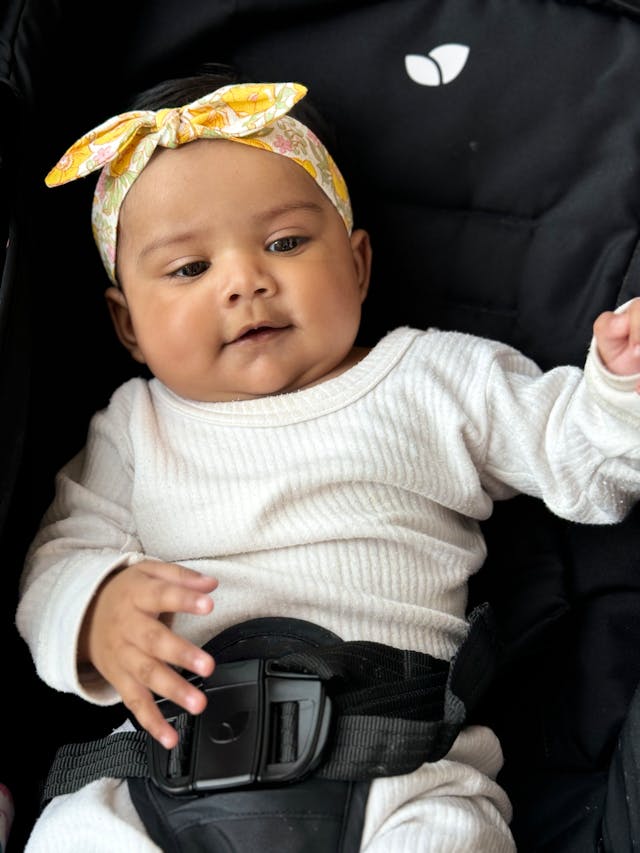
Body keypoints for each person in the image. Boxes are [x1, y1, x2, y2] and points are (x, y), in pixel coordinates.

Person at [15, 69, 640, 853]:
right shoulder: (134, 428)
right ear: (128, 325)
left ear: (358, 264)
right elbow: (55, 562)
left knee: (449, 835)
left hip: (392, 764)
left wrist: (618, 388)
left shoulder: (433, 379)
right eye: (189, 269)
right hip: (168, 772)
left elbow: (581, 462)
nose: (245, 280)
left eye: (285, 243)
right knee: (73, 831)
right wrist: (95, 610)